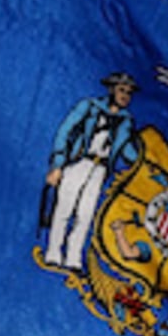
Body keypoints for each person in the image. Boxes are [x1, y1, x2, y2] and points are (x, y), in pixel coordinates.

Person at [43, 73, 140, 270]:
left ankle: (73, 257)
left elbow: (127, 150)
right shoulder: (89, 106)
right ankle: (53, 251)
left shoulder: (126, 121)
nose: (125, 96)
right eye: (122, 90)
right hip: (79, 163)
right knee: (64, 209)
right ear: (112, 89)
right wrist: (58, 164)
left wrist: (143, 163)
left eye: (129, 93)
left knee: (85, 214)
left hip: (100, 169)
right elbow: (65, 131)